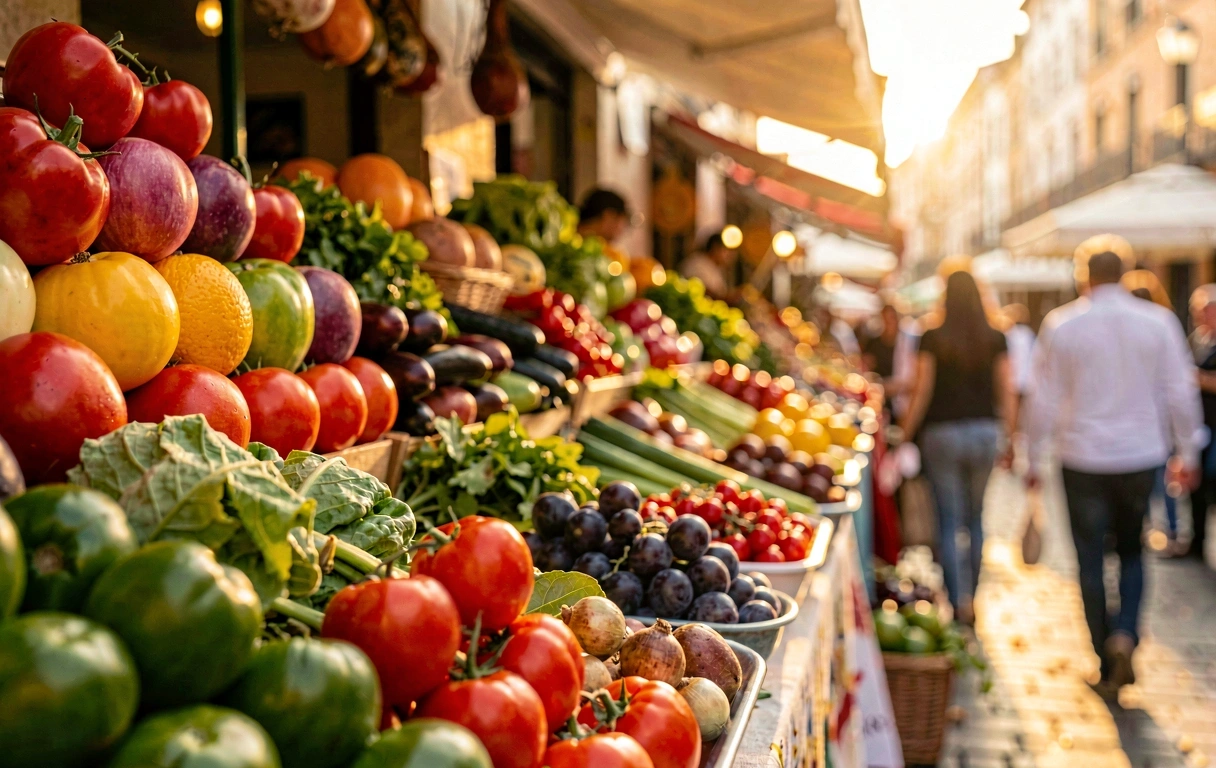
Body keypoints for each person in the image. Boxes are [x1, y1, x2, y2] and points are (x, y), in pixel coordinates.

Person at [1026, 251, 1202, 695]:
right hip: (1140, 454)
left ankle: (1104, 659)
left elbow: (1043, 399)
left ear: (1084, 275)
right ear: (1124, 273)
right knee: (1132, 550)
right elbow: (1179, 392)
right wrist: (1189, 451)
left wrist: (1032, 458)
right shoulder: (1157, 322)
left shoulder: (1063, 324)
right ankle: (1124, 631)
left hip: (1081, 455)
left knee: (1089, 559)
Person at [899, 270, 1016, 622]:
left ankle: (956, 600)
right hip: (984, 432)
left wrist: (903, 433)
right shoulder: (995, 336)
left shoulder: (932, 336)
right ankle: (973, 597)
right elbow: (1007, 390)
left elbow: (921, 390)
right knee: (976, 519)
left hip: (942, 434)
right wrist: (1011, 437)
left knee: (949, 520)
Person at [1124, 271, 1184, 554]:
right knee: (1165, 480)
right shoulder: (1162, 327)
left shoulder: (1130, 334)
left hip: (1135, 425)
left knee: (1144, 483)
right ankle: (1171, 529)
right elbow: (1178, 387)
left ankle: (1144, 528)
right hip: (1159, 422)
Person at [1187, 284, 1216, 564]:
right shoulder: (1198, 339)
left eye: (1203, 310)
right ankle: (1197, 543)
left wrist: (1197, 378)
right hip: (1199, 425)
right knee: (1197, 486)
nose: (1198, 315)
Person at [678, 233, 735, 300]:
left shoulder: (717, 268)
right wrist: (728, 298)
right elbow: (702, 290)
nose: (730, 255)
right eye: (726, 250)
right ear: (715, 248)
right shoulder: (697, 262)